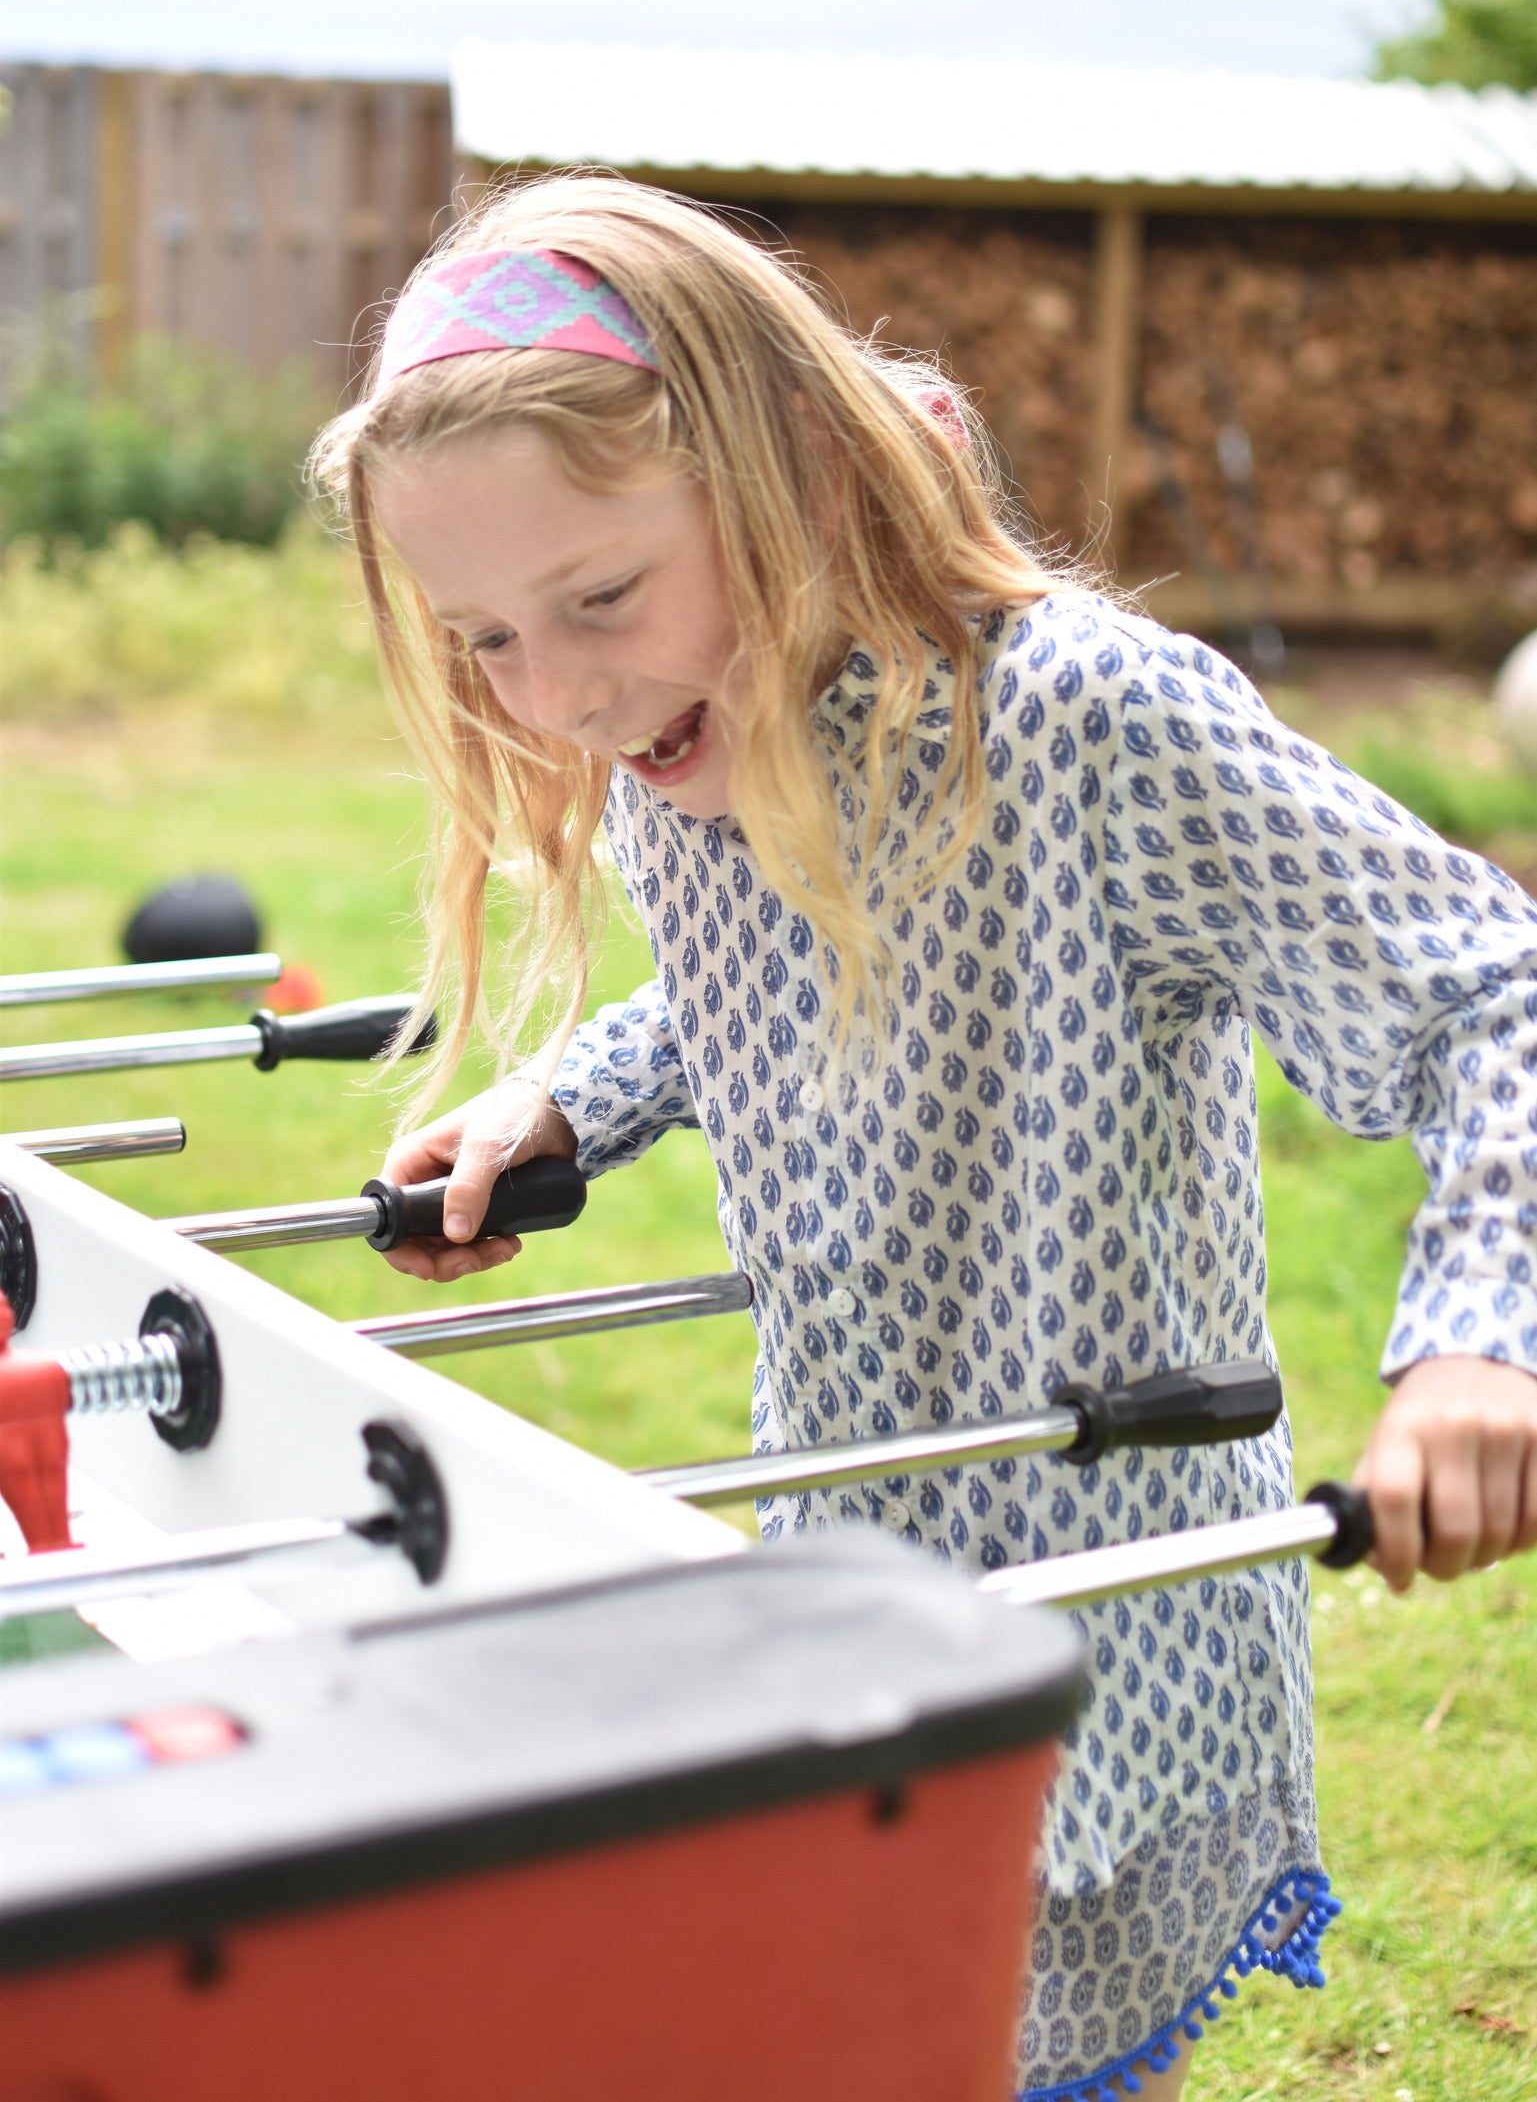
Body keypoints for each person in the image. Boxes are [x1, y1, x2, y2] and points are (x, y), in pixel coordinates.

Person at [310, 174, 1537, 2102]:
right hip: (851, 1541)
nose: (557, 694)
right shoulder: (689, 741)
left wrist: (1480, 1334)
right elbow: (784, 979)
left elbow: (1492, 995)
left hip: (1103, 1607)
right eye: (483, 639)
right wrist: (575, 1094)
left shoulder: (1090, 720)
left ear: (784, 473)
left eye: (599, 598)